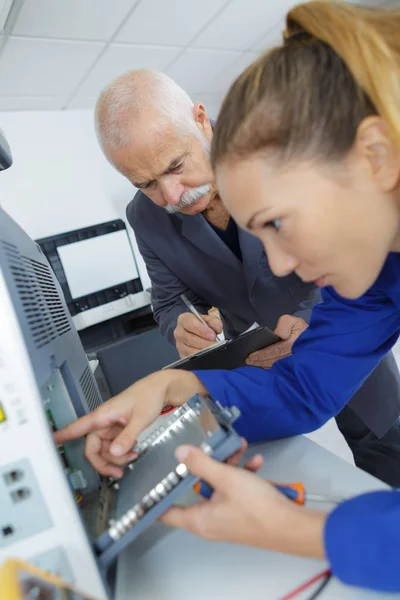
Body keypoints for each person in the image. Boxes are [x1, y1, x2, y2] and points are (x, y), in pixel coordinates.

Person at [55, 0, 400, 589]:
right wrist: (173, 384)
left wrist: (297, 532)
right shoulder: (372, 283)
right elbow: (306, 389)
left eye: (278, 223)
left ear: (376, 157)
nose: (285, 264)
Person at [94, 69, 400, 484]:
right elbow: (169, 303)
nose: (170, 196)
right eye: (147, 184)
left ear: (200, 119)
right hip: (265, 371)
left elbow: (361, 264)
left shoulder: (281, 149)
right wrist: (176, 365)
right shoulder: (145, 217)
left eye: (177, 166)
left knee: (387, 449)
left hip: (345, 343)